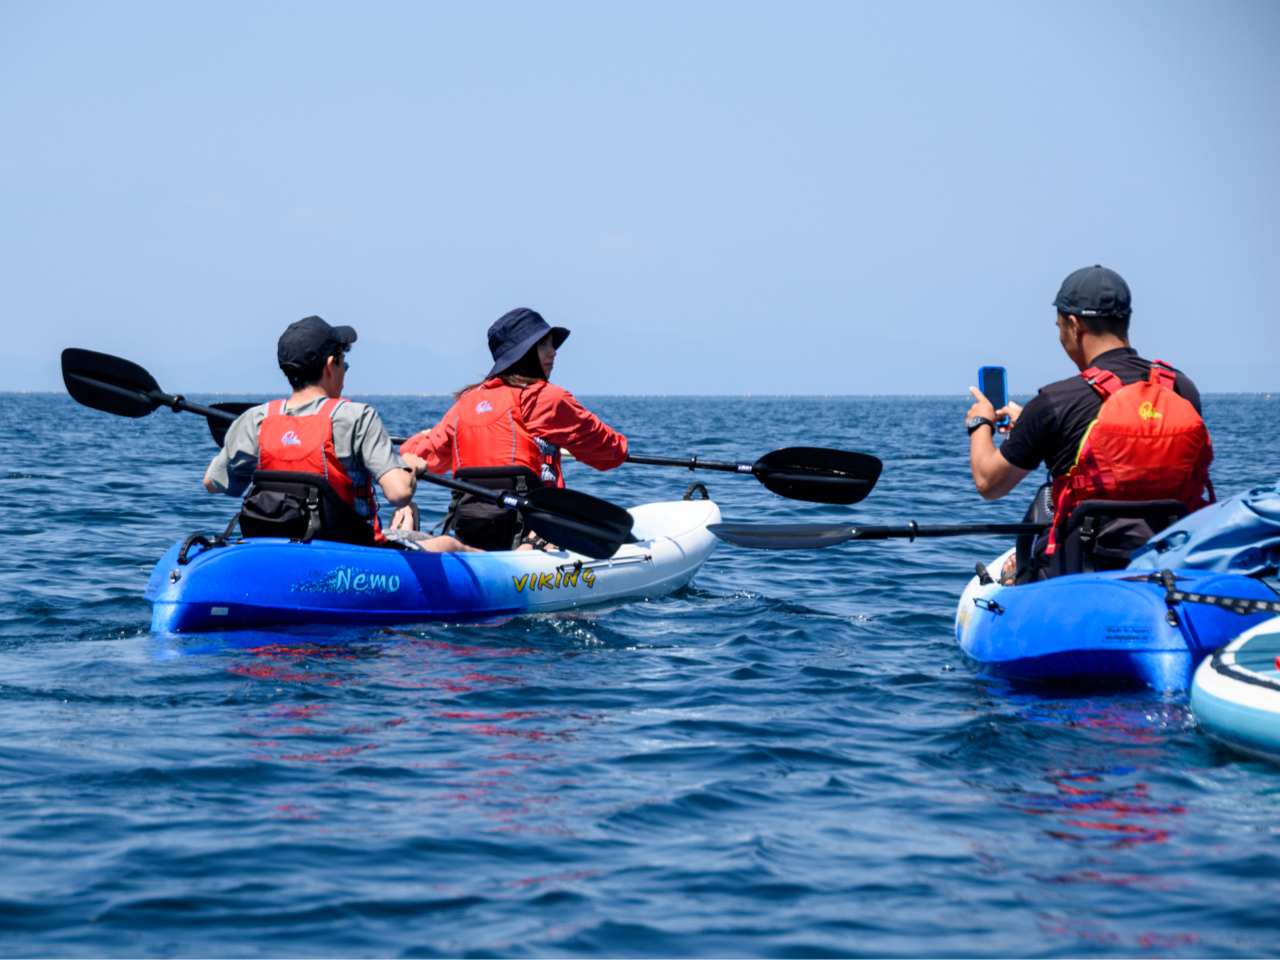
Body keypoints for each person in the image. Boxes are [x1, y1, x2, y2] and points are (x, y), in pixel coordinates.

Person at [964, 265, 1213, 579]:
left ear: (1073, 325)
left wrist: (980, 423)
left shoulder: (1055, 402)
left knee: (1042, 506)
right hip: (1171, 565)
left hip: (1084, 573)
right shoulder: (1181, 389)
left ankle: (1019, 577)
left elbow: (988, 483)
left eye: (1059, 326)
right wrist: (1030, 424)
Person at [396, 308, 629, 550]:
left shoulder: (465, 403)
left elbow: (414, 455)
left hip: (472, 530)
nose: (553, 352)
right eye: (543, 344)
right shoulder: (548, 399)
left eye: (552, 344)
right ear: (523, 354)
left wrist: (424, 435)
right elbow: (613, 453)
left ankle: (429, 539)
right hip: (529, 532)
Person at [204, 315, 437, 548]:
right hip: (348, 554)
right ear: (330, 366)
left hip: (276, 549)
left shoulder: (255, 420)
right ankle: (405, 530)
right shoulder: (358, 417)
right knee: (448, 545)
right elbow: (399, 493)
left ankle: (402, 530)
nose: (345, 370)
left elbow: (211, 483)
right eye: (344, 363)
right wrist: (409, 467)